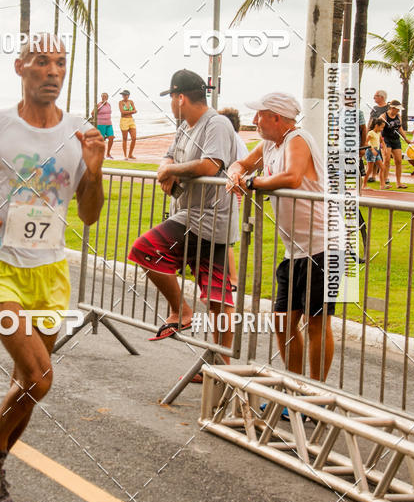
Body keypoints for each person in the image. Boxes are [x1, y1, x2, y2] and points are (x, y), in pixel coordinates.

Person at [0, 33, 104, 502]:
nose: (52, 72)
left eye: (60, 63)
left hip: (51, 273)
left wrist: (93, 172)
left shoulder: (79, 133)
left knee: (27, 385)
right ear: (19, 67)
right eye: (41, 63)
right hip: (1, 270)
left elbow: (89, 215)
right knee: (40, 375)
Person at [128, 70, 237, 372]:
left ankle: (181, 311)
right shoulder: (184, 127)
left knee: (145, 250)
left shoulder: (216, 124)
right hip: (192, 215)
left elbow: (211, 164)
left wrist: (174, 171)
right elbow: (167, 157)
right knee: (217, 297)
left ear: (180, 97)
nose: (171, 105)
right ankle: (220, 367)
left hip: (208, 217)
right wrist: (168, 169)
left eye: (172, 99)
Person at [226, 92, 334, 382]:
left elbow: (292, 177)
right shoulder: (268, 144)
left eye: (259, 115)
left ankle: (316, 393)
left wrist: (252, 182)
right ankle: (295, 387)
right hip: (295, 250)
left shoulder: (297, 139)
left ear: (276, 117)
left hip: (323, 246)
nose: (255, 121)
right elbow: (242, 164)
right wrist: (236, 173)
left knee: (316, 324)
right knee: (282, 322)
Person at [218, 107, 248, 288]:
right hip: (231, 192)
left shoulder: (232, 140)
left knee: (225, 237)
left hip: (229, 193)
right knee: (222, 236)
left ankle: (233, 279)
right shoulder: (237, 140)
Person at [380, 100, 410, 189]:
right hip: (386, 139)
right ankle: (384, 181)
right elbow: (379, 130)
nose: (398, 111)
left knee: (399, 161)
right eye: (397, 109)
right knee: (387, 160)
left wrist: (405, 138)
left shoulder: (398, 116)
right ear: (392, 108)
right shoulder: (383, 116)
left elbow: (400, 128)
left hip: (395, 139)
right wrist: (382, 143)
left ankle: (399, 183)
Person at [364, 119, 386, 189]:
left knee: (382, 168)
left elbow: (382, 141)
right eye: (381, 127)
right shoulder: (371, 133)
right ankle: (364, 185)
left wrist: (384, 148)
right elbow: (366, 143)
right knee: (369, 169)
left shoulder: (378, 133)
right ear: (376, 126)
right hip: (371, 152)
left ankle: (382, 185)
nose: (382, 129)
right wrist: (372, 149)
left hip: (377, 152)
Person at [119, 90, 137, 160]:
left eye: (125, 95)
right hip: (124, 121)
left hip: (131, 120)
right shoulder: (120, 102)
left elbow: (136, 110)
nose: (124, 96)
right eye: (123, 95)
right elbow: (122, 112)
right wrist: (132, 111)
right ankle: (125, 155)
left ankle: (130, 154)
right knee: (125, 138)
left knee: (134, 138)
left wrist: (129, 112)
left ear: (128, 95)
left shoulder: (131, 102)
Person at [96, 92, 114, 158]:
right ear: (101, 97)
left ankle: (108, 153)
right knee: (102, 140)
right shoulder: (99, 105)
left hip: (109, 123)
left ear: (107, 98)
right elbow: (92, 113)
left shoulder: (109, 104)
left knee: (111, 137)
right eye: (103, 97)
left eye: (105, 97)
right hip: (101, 124)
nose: (104, 98)